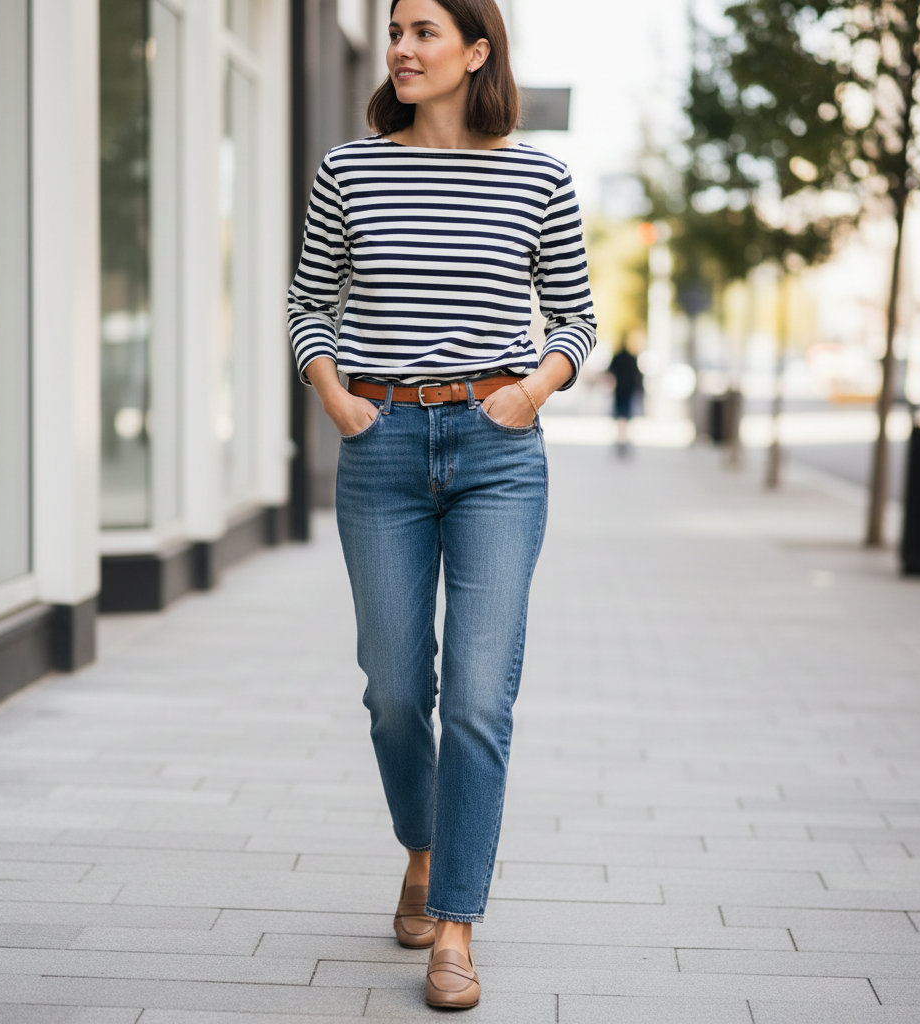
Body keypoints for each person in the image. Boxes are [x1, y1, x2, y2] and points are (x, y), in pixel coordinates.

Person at [287, 0, 596, 1008]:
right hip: (378, 447)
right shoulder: (350, 169)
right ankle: (420, 843)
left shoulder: (538, 177)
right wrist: (335, 396)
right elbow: (307, 304)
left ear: (476, 52)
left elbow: (579, 321)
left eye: (424, 31)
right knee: (390, 688)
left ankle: (454, 923)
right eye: (394, 31)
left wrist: (530, 389)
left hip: (496, 452)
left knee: (475, 698)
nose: (402, 49)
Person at [608, 337, 643, 456]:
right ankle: (623, 437)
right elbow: (637, 375)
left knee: (620, 414)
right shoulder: (631, 358)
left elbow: (610, 371)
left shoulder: (618, 357)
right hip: (628, 389)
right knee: (625, 414)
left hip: (620, 390)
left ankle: (621, 437)